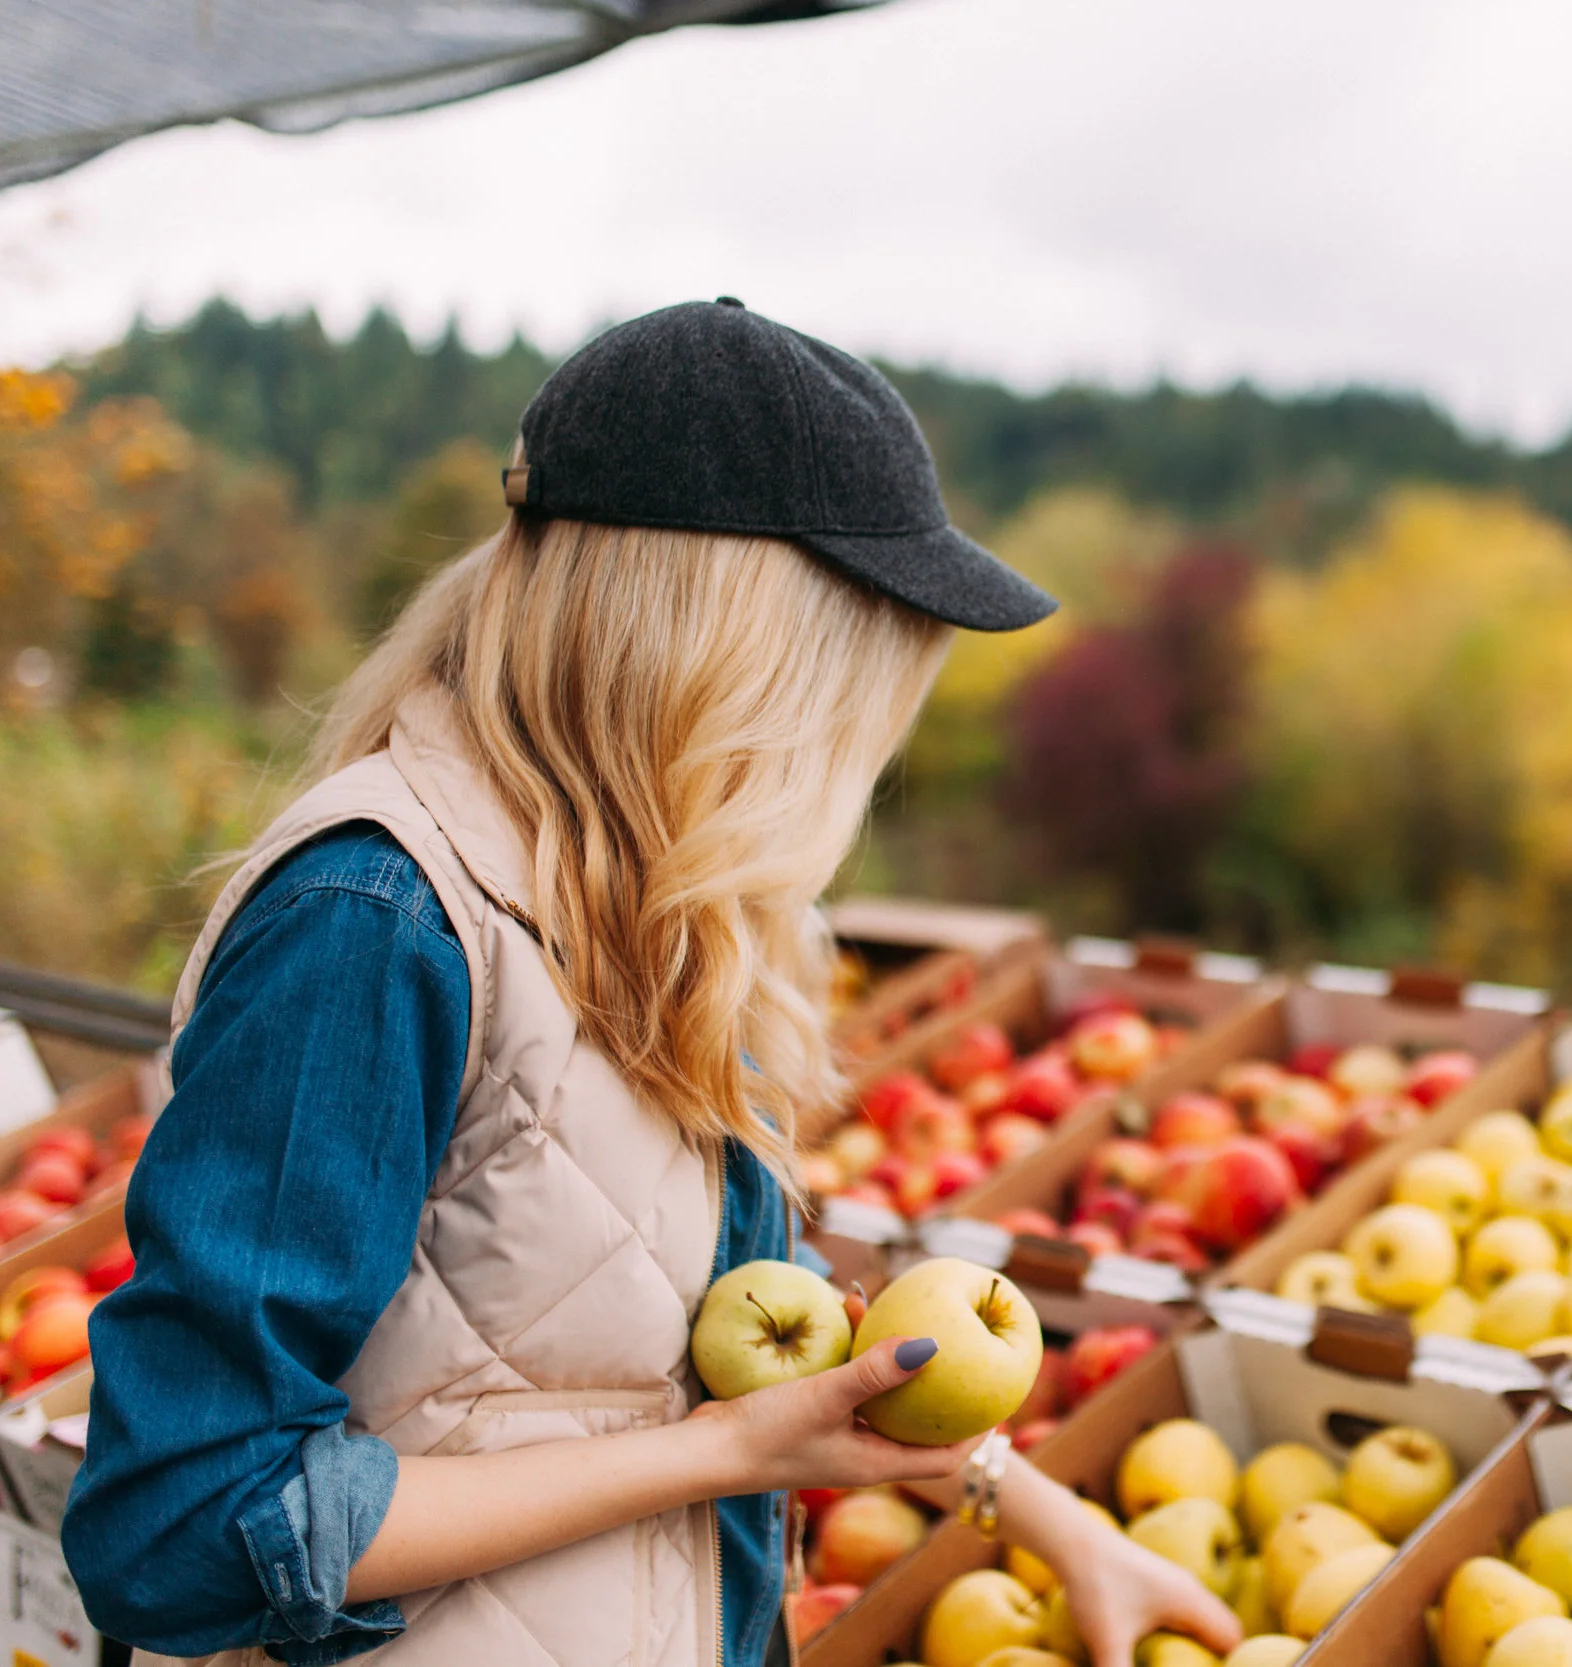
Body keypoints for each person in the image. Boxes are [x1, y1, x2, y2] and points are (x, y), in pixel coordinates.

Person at [60, 300, 1243, 1667]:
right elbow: (179, 1523)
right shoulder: (375, 921)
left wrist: (1041, 1513)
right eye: (851, 683)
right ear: (734, 650)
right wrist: (716, 1452)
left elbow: (724, 1314)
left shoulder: (647, 906)